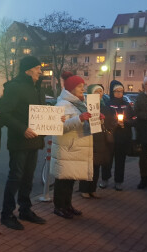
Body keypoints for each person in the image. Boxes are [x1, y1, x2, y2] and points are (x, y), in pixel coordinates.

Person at [0, 56, 47, 230]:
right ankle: (7, 213)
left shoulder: (38, 88)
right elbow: (3, 114)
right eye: (37, 68)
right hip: (20, 142)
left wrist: (55, 119)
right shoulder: (15, 87)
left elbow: (41, 112)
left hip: (35, 141)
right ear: (27, 70)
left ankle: (25, 210)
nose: (40, 71)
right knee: (16, 177)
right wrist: (22, 129)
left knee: (28, 177)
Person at [51, 71, 93, 219]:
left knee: (70, 178)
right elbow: (59, 127)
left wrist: (95, 120)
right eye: (80, 86)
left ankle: (67, 205)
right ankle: (59, 206)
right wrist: (80, 119)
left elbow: (83, 122)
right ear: (71, 88)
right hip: (66, 147)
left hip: (75, 146)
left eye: (83, 86)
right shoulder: (62, 104)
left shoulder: (79, 104)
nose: (83, 89)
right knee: (62, 179)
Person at [80, 84, 115, 198]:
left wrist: (106, 123)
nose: (99, 93)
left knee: (96, 165)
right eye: (96, 91)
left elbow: (111, 121)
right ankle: (84, 189)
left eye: (100, 91)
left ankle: (92, 189)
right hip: (89, 137)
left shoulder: (106, 107)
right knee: (87, 165)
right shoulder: (85, 106)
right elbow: (82, 122)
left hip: (101, 138)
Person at [100, 80, 135, 191]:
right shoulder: (108, 104)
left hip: (123, 137)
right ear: (112, 92)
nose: (119, 93)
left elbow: (134, 119)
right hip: (110, 136)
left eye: (121, 91)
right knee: (107, 160)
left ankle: (118, 181)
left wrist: (125, 123)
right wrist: (115, 123)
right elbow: (104, 120)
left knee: (120, 161)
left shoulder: (127, 105)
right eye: (116, 91)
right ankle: (105, 179)